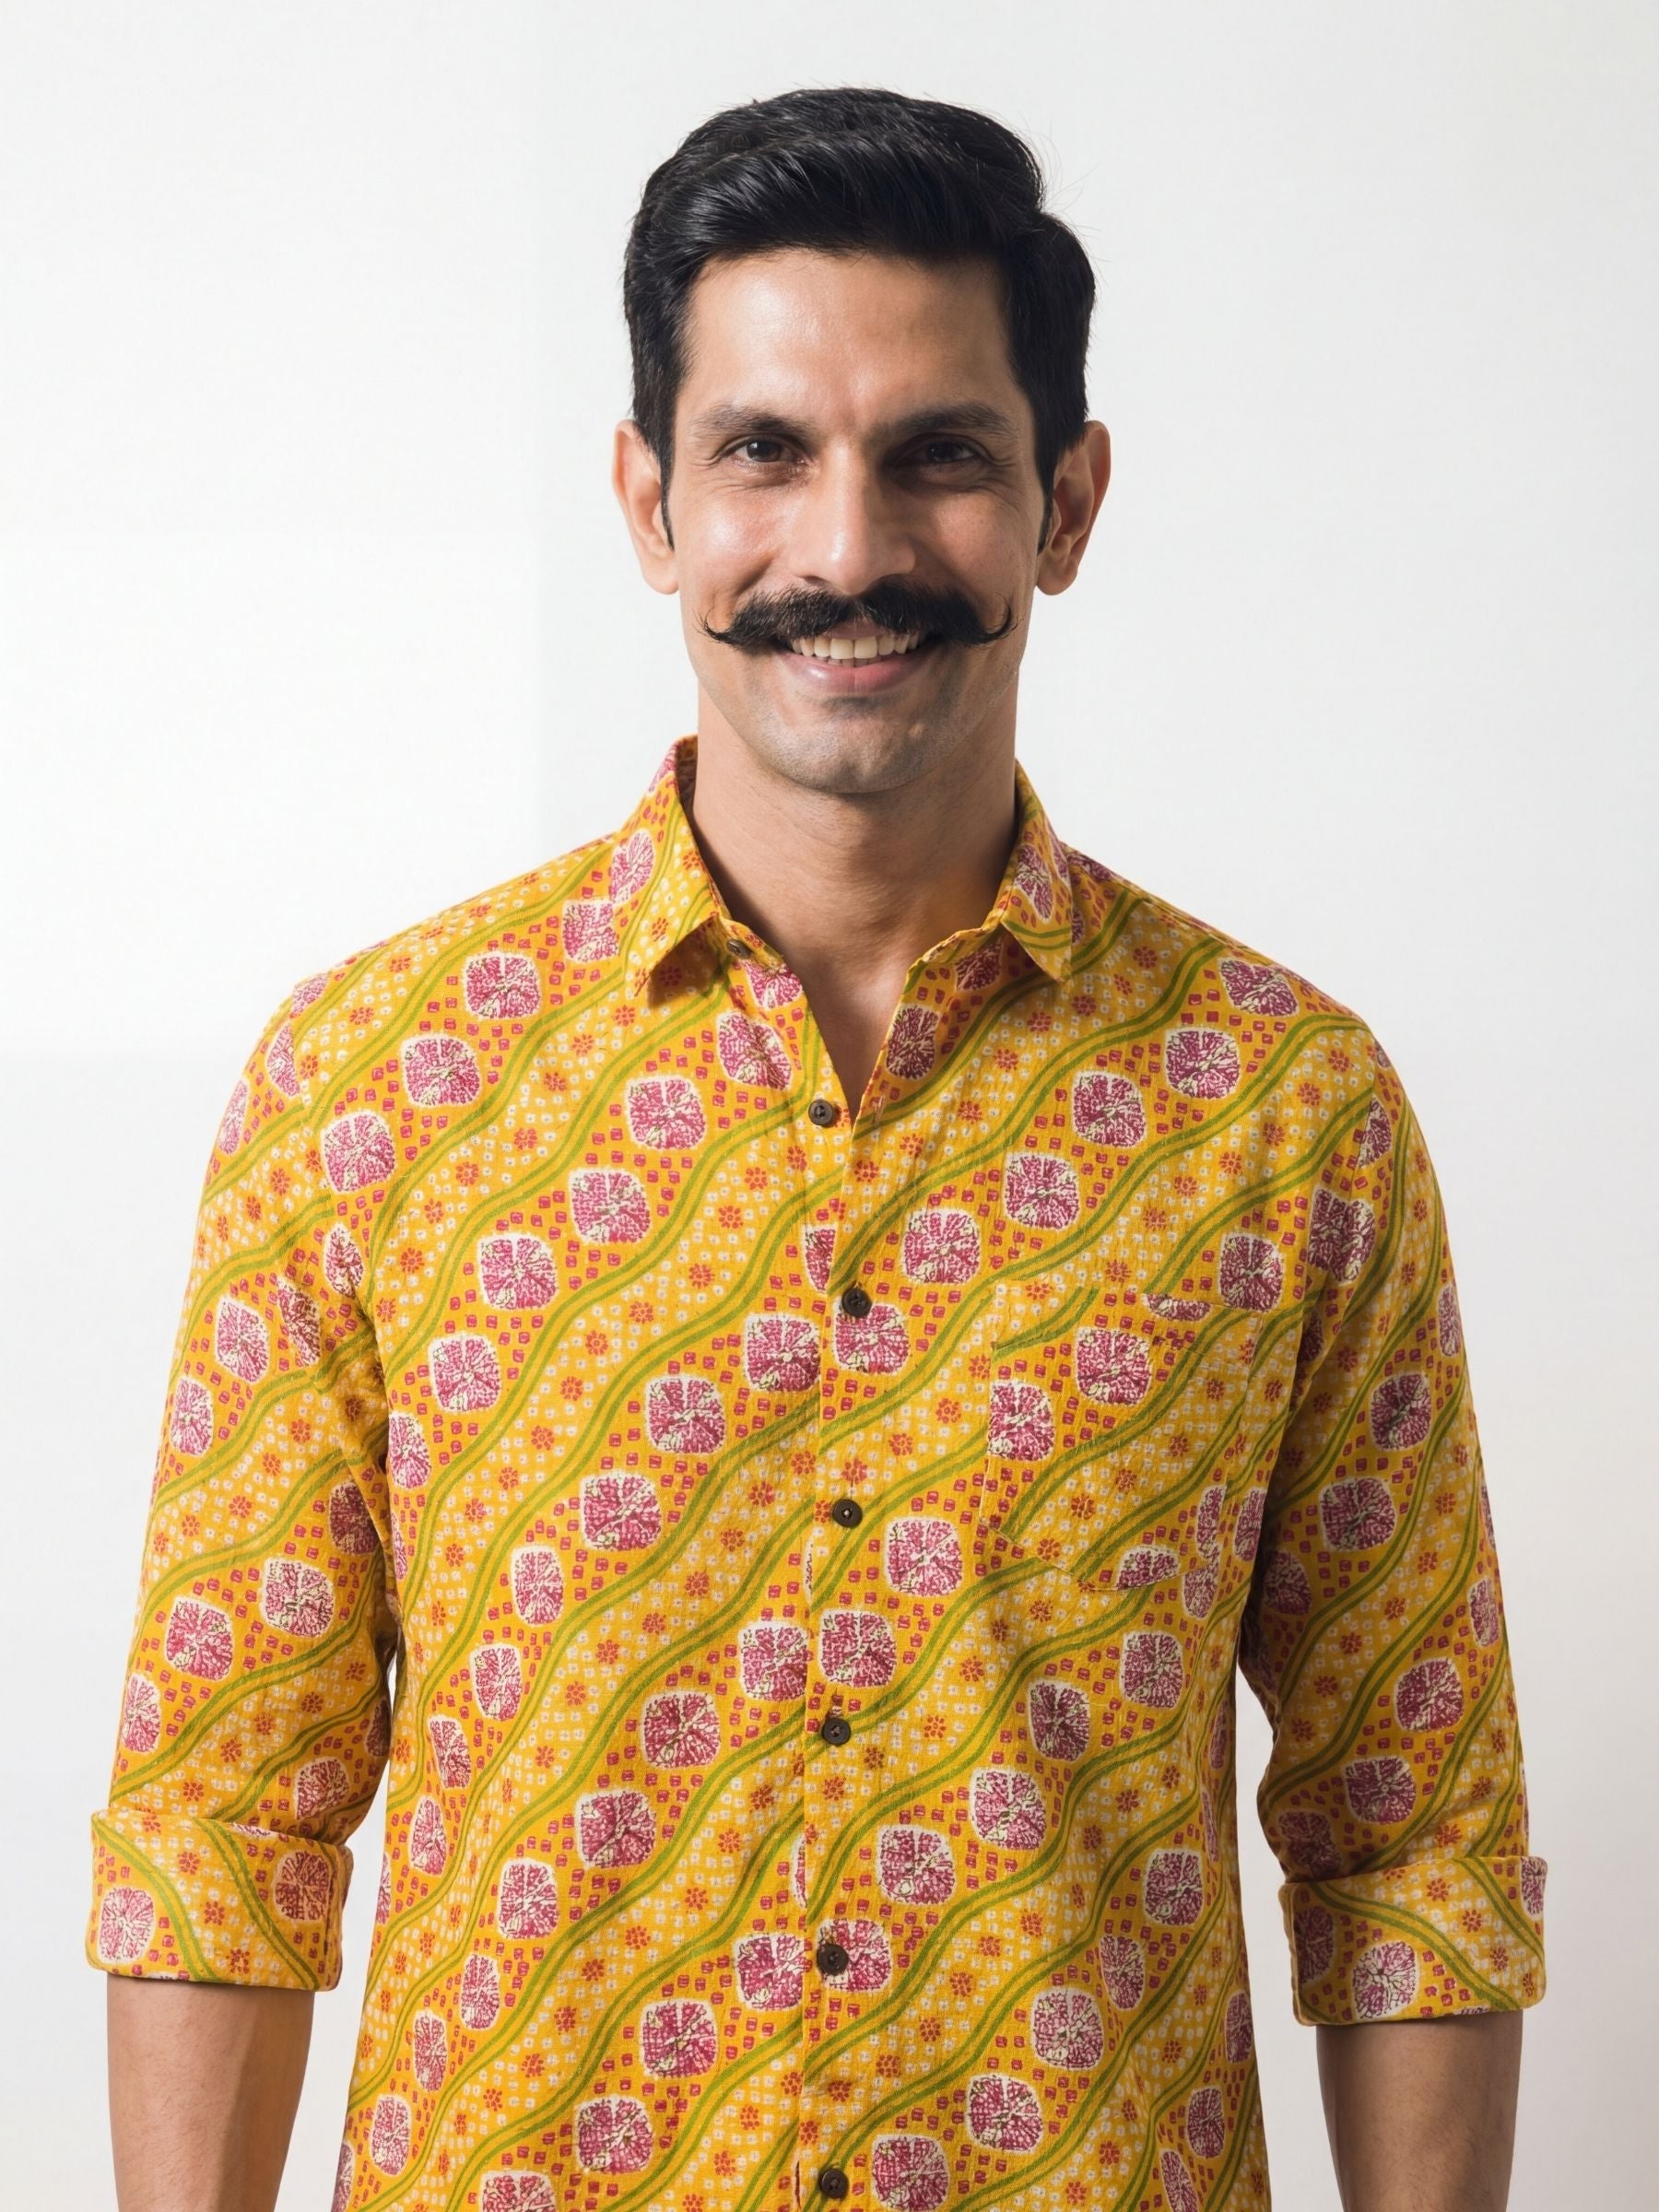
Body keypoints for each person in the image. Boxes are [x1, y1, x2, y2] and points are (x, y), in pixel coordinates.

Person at [91, 84, 1546, 2212]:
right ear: (649, 499)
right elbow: (227, 1819)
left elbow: (1409, 1837)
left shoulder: (1285, 1116)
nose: (846, 551)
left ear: (1065, 503)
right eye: (764, 451)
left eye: (938, 455)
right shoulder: (373, 1089)